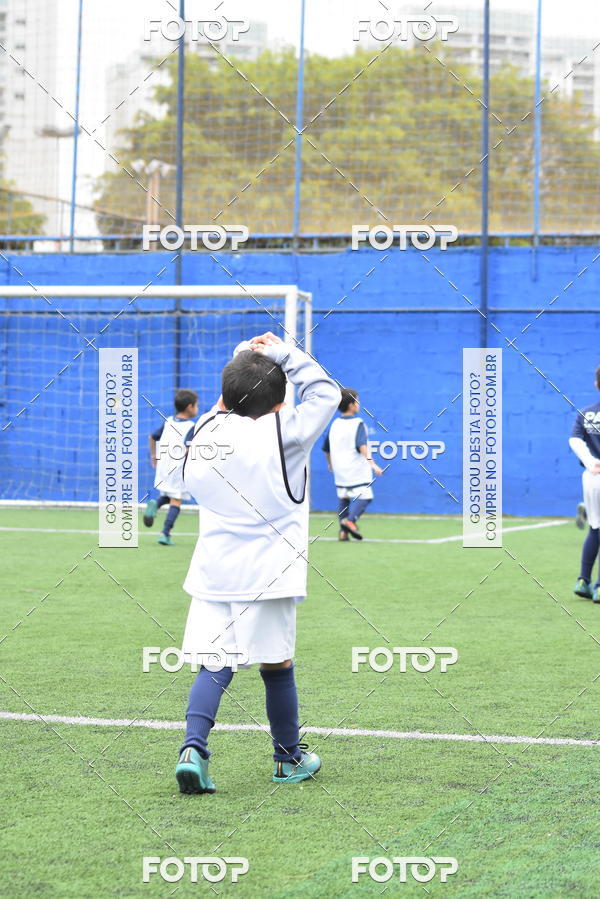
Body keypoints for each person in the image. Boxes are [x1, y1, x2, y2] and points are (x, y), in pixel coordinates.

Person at [174, 332, 340, 793]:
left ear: (225, 394)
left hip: (213, 572)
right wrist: (282, 353)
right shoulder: (286, 433)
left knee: (214, 663)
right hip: (270, 576)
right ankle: (287, 759)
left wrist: (243, 360)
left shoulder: (204, 431)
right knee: (276, 666)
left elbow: (225, 403)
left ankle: (193, 748)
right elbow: (326, 392)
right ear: (279, 398)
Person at [322, 387, 382, 542]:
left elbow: (326, 449)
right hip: (356, 470)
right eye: (357, 400)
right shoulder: (358, 423)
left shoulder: (334, 424)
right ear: (351, 405)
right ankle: (350, 521)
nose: (359, 404)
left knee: (344, 497)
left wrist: (330, 464)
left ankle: (343, 533)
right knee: (366, 497)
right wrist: (373, 464)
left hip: (340, 470)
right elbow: (362, 446)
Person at [144, 388, 198, 545]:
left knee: (169, 495)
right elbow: (188, 448)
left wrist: (154, 455)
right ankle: (165, 533)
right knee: (176, 500)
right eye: (196, 405)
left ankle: (156, 503)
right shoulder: (190, 426)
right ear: (189, 407)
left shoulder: (168, 421)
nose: (197, 408)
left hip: (163, 465)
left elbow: (152, 437)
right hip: (177, 468)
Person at [569, 368, 600, 602]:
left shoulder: (586, 413)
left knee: (595, 528)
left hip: (591, 477)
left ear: (596, 384)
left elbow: (574, 439)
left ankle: (584, 579)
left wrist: (591, 462)